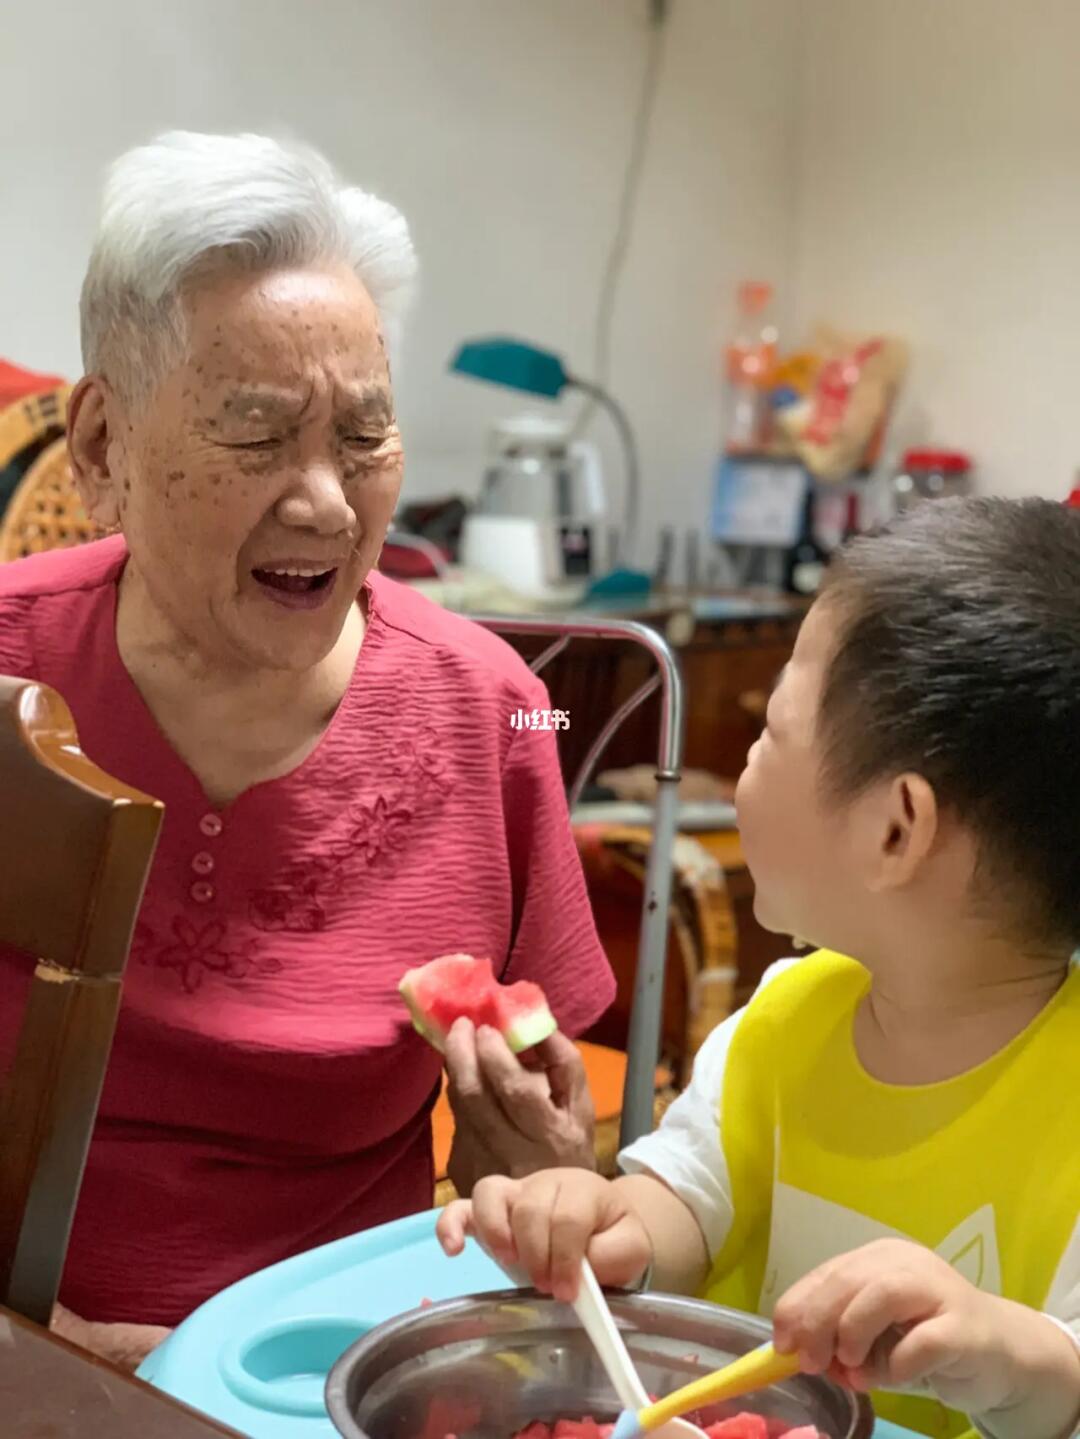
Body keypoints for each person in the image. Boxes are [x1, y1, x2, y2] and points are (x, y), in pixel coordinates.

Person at [0, 131, 615, 1367]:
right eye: (259, 436)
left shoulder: (495, 706)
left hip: (341, 1378)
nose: (329, 501)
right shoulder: (10, 664)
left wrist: (543, 1167)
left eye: (365, 437)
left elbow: (564, 1161)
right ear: (105, 446)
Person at [440, 498, 1080, 1439]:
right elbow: (680, 1220)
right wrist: (591, 1220)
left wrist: (1002, 1348)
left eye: (774, 730)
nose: (743, 764)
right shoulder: (782, 1023)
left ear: (895, 829)